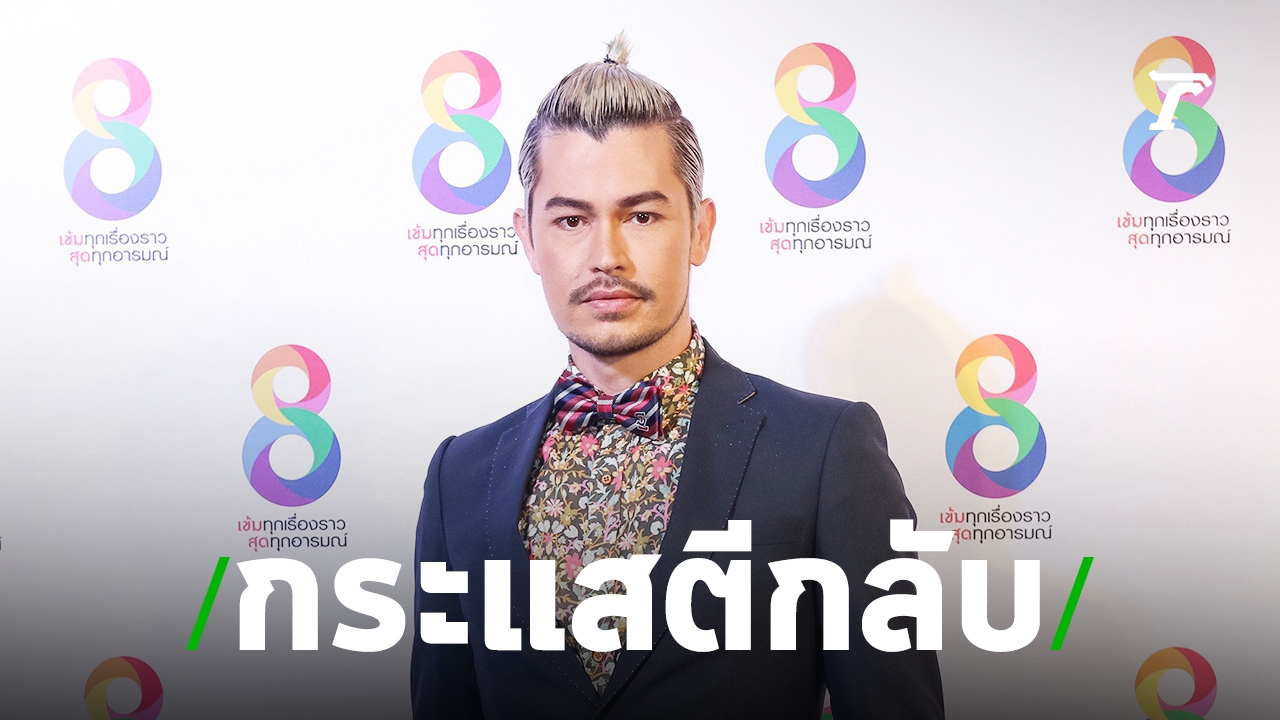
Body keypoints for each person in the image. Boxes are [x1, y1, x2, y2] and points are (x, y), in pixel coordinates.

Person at [411, 34, 944, 719]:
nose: (607, 255)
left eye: (641, 215)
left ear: (699, 229)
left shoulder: (825, 451)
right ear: (528, 239)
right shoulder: (459, 476)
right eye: (571, 219)